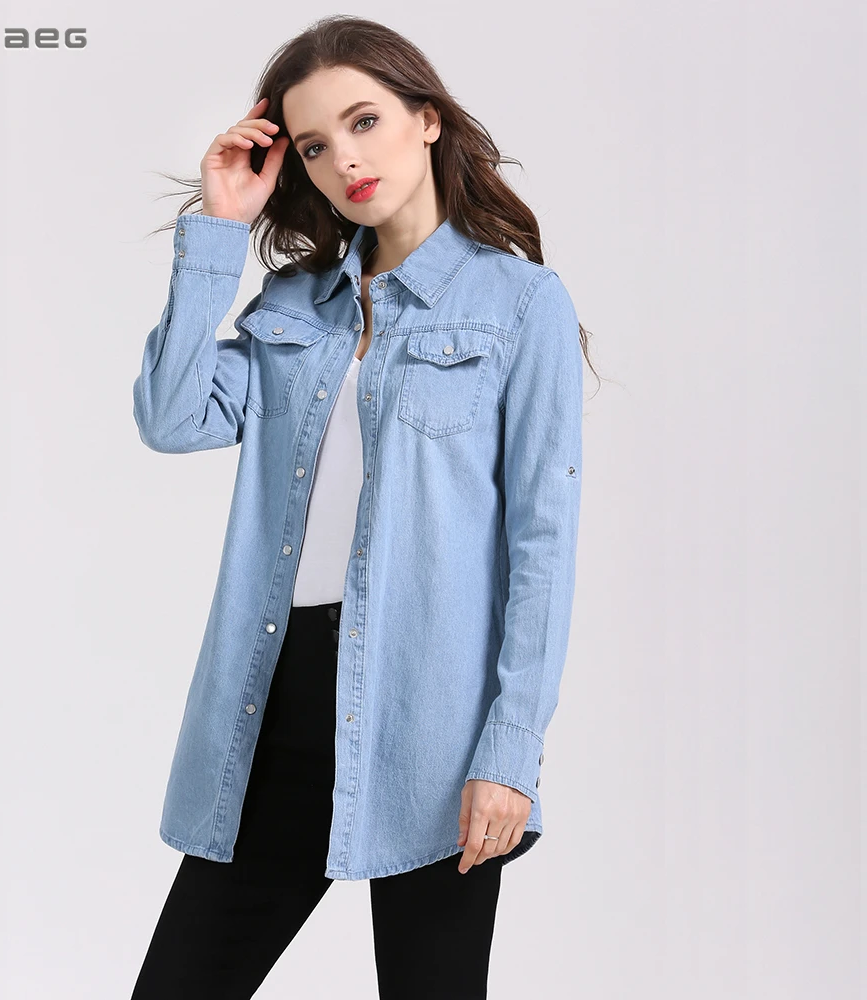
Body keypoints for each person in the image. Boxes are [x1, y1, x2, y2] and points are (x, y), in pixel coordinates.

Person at [129, 14, 597, 999]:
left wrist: (511, 749)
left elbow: (542, 543)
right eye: (312, 144)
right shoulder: (292, 304)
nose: (344, 158)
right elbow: (171, 419)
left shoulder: (521, 304)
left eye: (364, 120)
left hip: (432, 720)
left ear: (427, 119)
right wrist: (218, 230)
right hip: (272, 702)